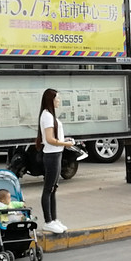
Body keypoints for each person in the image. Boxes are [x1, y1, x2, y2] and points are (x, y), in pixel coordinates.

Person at [37, 88, 76, 233]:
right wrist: (66, 144)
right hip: (52, 155)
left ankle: (54, 219)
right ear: (50, 100)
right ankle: (48, 220)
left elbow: (54, 138)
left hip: (57, 154)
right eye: (57, 98)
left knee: (54, 188)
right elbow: (49, 139)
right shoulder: (47, 116)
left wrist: (64, 140)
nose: (59, 101)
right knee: (48, 188)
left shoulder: (50, 115)